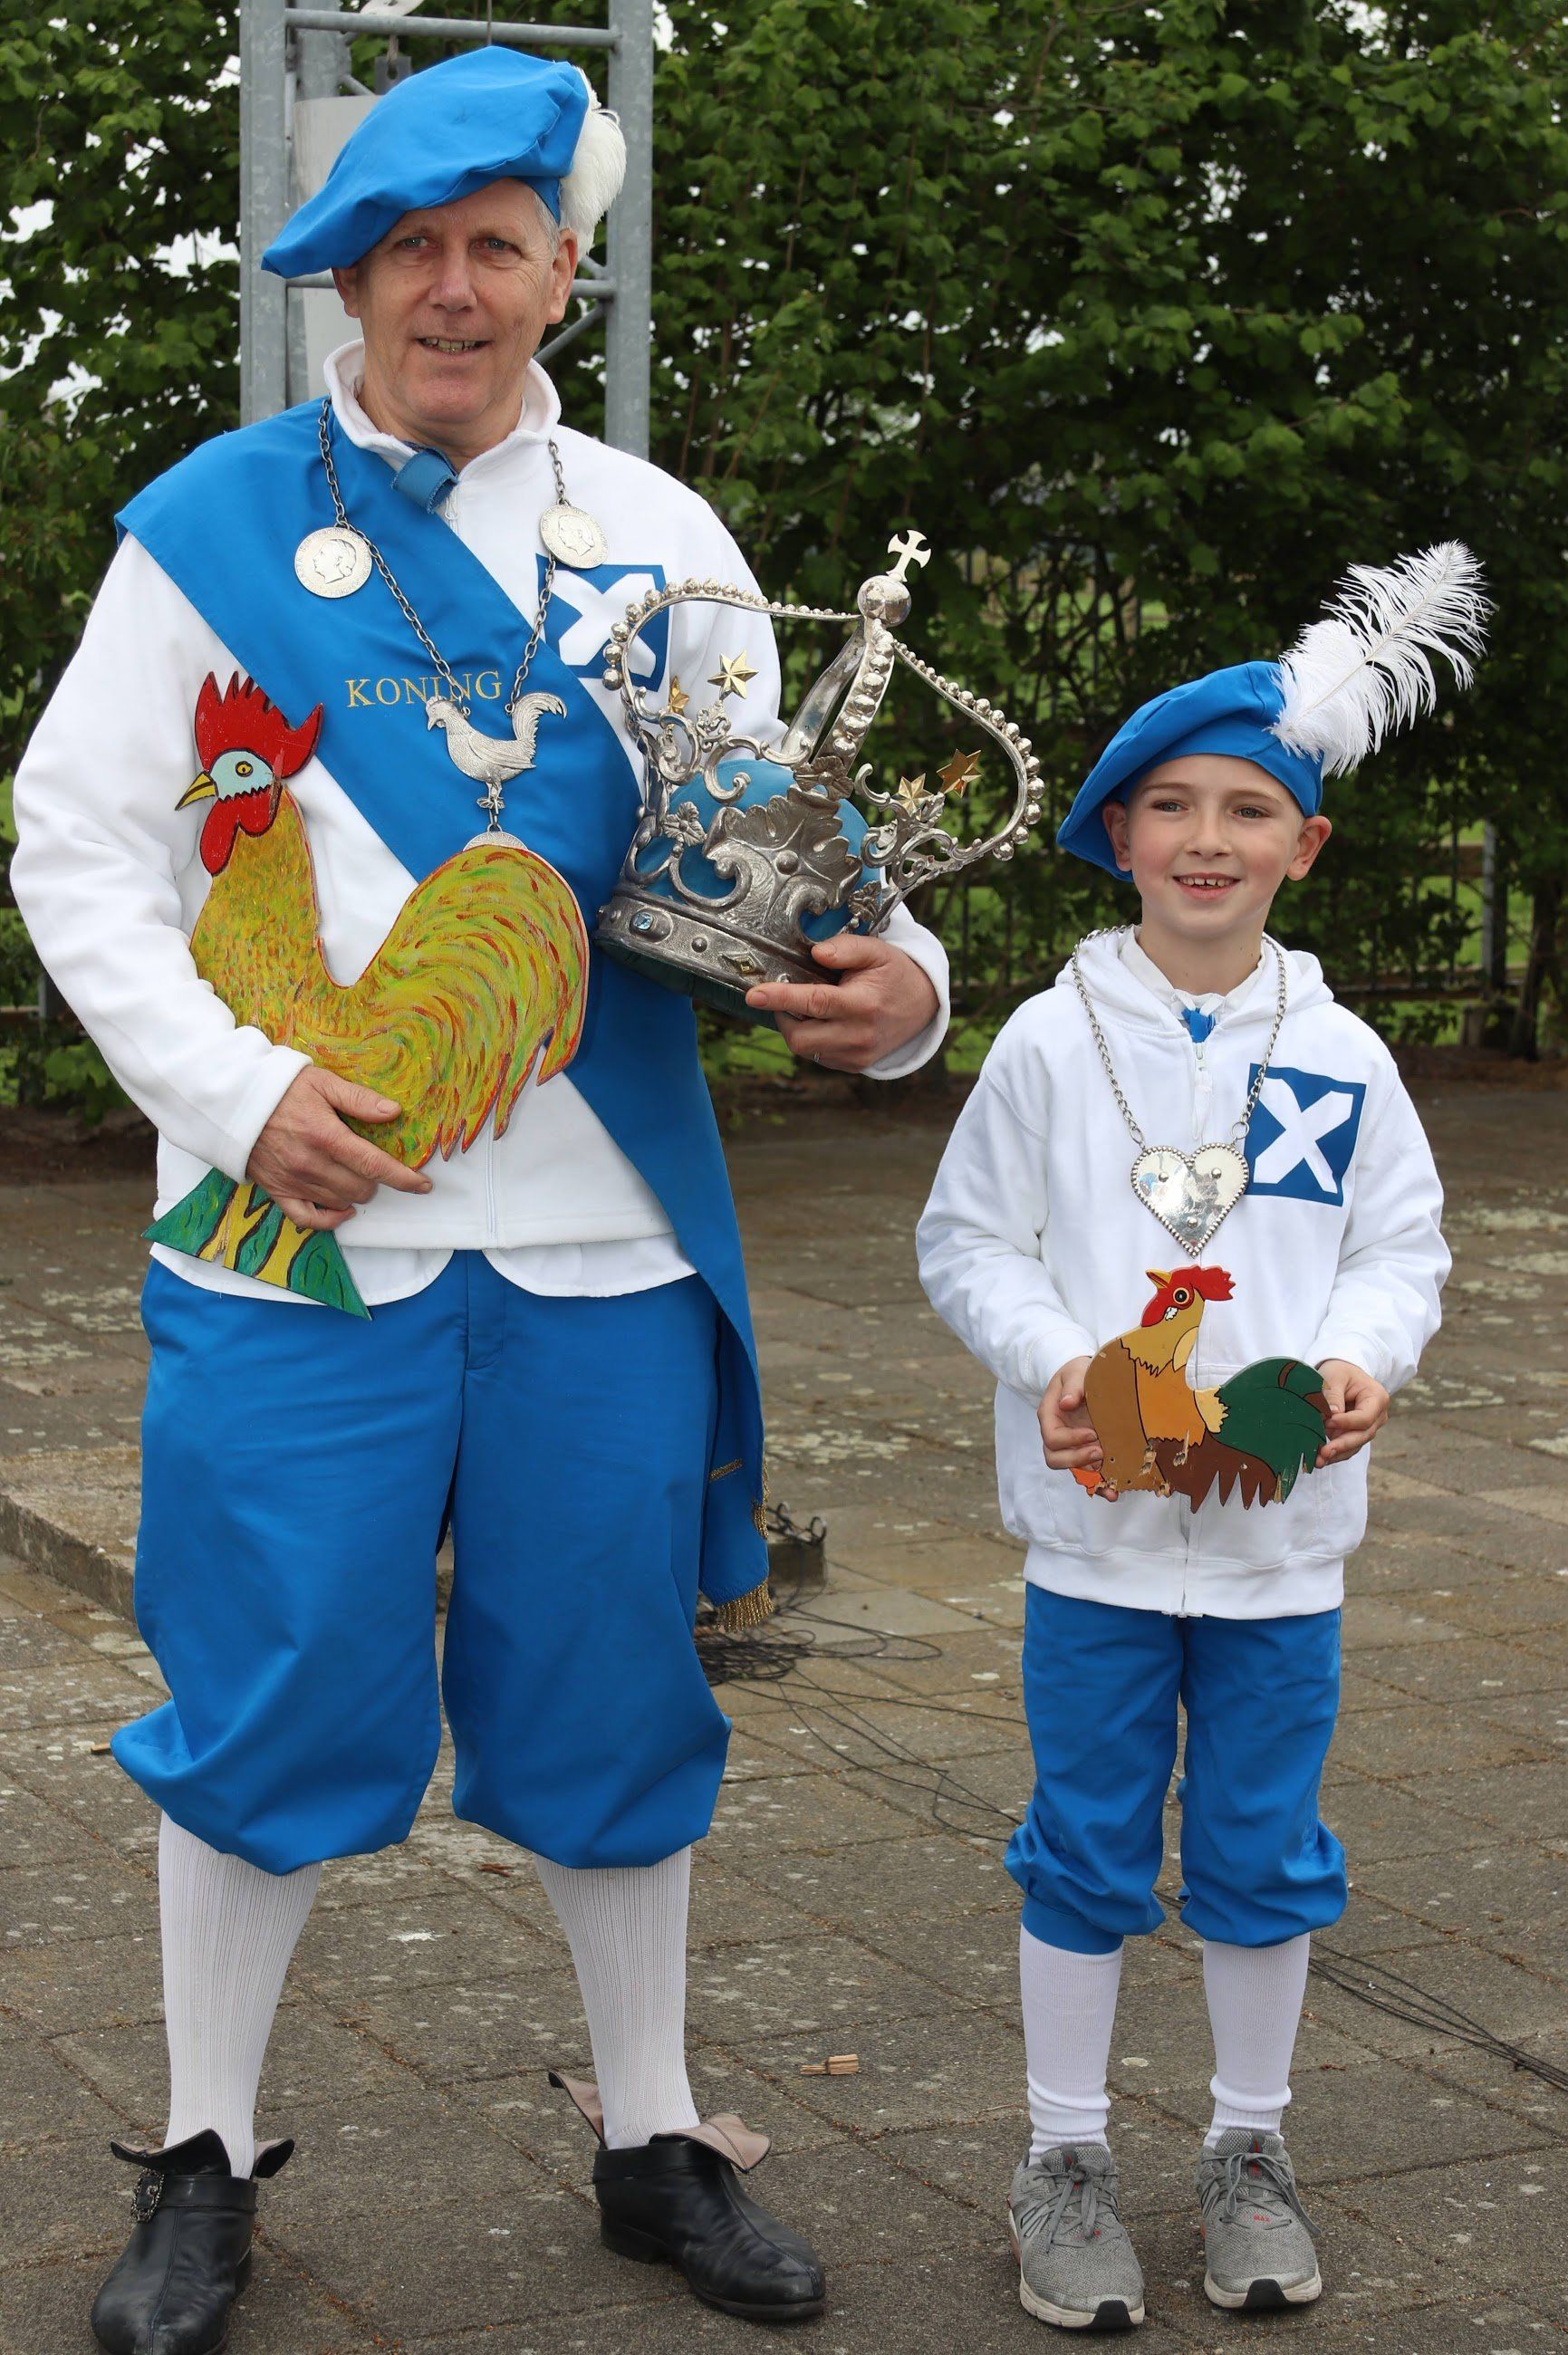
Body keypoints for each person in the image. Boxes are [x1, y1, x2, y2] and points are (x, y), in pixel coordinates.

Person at [11, 48, 950, 2354]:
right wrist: (239, 1095)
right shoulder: (209, 529)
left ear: (559, 270)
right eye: (406, 251)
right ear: (348, 281)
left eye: (496, 248)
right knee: (262, 1704)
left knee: (620, 1696)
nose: (453, 290)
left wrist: (903, 993)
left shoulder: (669, 536)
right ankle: (204, 2158)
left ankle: (654, 2141)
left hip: (604, 1240)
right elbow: (78, 844)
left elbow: (777, 861)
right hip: (297, 1247)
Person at [916, 548, 1483, 2330]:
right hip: (1093, 1538)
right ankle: (1063, 2153)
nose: (1212, 837)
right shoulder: (1043, 1045)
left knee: (1260, 1845)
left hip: (1277, 1548)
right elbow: (967, 1244)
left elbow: (1397, 1246)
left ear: (1304, 847)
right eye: (1174, 806)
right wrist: (1049, 1358)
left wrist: (1359, 1355)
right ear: (1118, 836)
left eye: (1252, 807)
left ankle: (1251, 2144)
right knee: (1085, 1836)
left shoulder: (1343, 1062)